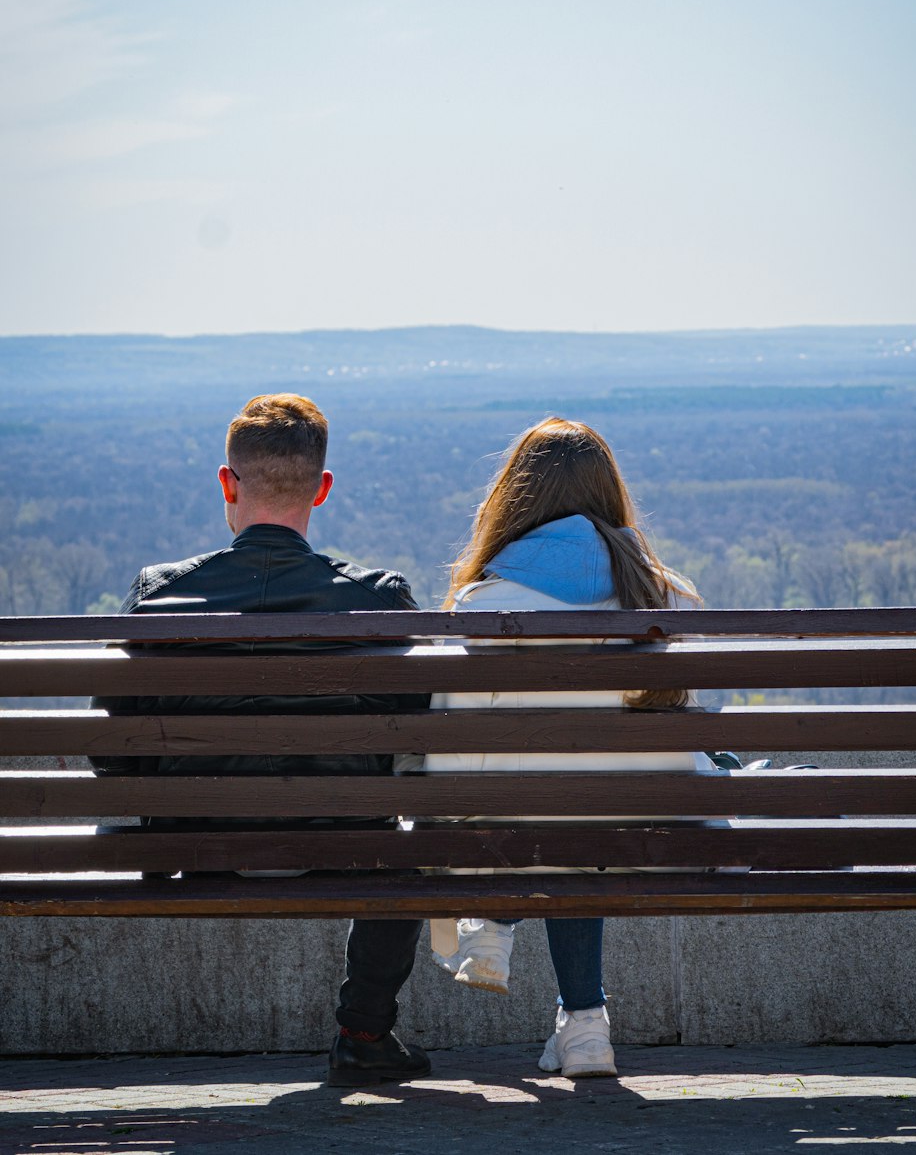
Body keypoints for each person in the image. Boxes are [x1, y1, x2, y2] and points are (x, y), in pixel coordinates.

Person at [89, 393, 431, 1088]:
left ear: (227, 483)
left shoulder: (159, 596)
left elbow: (112, 749)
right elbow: (418, 736)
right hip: (348, 842)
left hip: (192, 841)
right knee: (410, 845)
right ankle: (364, 1033)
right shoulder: (379, 598)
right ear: (322, 489)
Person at [426, 416, 713, 1078]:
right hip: (638, 822)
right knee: (584, 819)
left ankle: (495, 918)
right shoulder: (662, 593)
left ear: (514, 499)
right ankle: (584, 1028)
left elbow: (454, 747)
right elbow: (681, 726)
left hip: (519, 825)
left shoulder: (483, 603)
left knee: (548, 810)